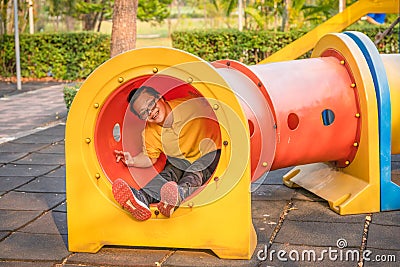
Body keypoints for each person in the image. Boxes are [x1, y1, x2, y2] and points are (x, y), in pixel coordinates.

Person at [112, 85, 222, 221]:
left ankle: (177, 196)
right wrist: (133, 161)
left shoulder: (190, 106)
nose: (151, 112)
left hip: (211, 152)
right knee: (167, 175)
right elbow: (150, 157)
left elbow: (216, 104)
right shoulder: (149, 132)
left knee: (195, 172)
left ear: (160, 97)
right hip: (180, 159)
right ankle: (141, 199)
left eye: (151, 104)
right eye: (144, 112)